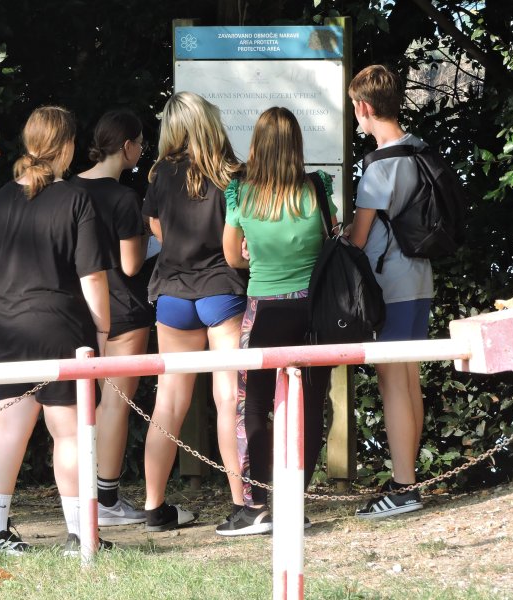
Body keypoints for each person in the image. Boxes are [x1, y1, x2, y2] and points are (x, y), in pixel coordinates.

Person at [0, 105, 114, 555]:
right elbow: (92, 278)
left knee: (8, 428)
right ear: (66, 147)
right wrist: (102, 333)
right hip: (57, 326)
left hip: (0, 325)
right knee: (68, 432)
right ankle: (81, 536)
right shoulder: (76, 199)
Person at [220, 107, 335, 536]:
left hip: (264, 310)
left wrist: (253, 251)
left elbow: (232, 257)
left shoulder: (241, 193)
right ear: (296, 145)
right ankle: (294, 503)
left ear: (257, 145)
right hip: (315, 311)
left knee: (252, 405)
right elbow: (331, 240)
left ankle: (255, 505)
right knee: (311, 406)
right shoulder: (317, 188)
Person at [141, 91, 247, 532]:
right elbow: (241, 235)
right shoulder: (232, 173)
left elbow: (156, 228)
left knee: (168, 400)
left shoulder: (160, 173)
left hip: (172, 293)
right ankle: (242, 504)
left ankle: (154, 506)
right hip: (221, 289)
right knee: (229, 399)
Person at [346, 65, 433, 519]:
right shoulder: (418, 149)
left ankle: (403, 486)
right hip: (420, 278)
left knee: (392, 381)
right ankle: (409, 478)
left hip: (391, 283)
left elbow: (359, 238)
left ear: (364, 107)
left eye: (354, 108)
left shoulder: (379, 165)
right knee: (408, 378)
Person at [71, 109, 153, 526]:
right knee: (115, 405)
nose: (142, 150)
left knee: (74, 406)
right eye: (141, 143)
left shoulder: (66, 190)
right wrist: (151, 236)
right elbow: (132, 264)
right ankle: (106, 499)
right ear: (127, 146)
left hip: (76, 310)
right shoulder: (123, 198)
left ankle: (81, 496)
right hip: (122, 309)